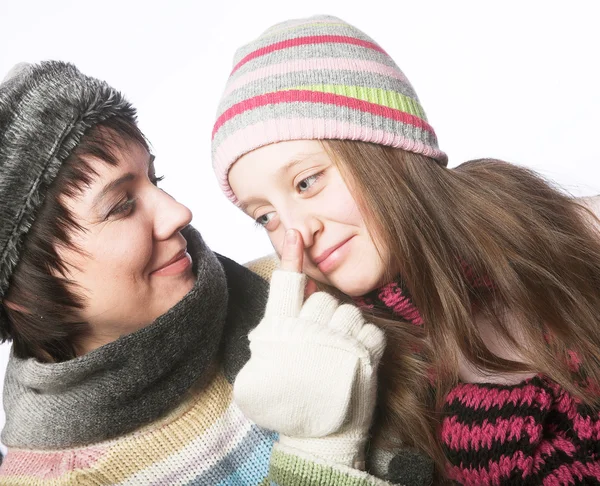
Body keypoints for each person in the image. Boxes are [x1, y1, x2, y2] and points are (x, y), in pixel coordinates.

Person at [212, 15, 600, 485]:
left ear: (383, 146)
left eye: (307, 182)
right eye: (265, 216)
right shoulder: (352, 366)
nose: (297, 231)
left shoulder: (554, 229)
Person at [0, 61, 392, 485]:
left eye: (155, 178)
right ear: (22, 290)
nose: (178, 212)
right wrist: (321, 453)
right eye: (120, 206)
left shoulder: (292, 288)